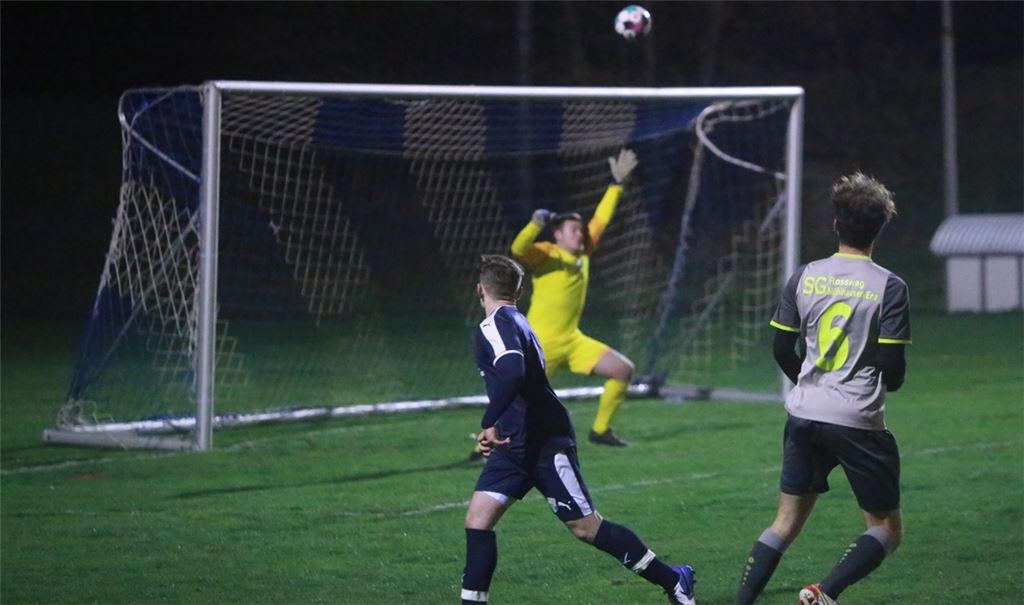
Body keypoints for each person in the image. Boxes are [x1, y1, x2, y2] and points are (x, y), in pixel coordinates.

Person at [460, 254, 695, 605]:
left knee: (586, 527)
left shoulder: (495, 326)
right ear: (520, 291)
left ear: (479, 289)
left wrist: (488, 422)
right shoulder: (518, 321)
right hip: (514, 443)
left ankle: (673, 579)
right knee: (478, 520)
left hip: (543, 443)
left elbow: (512, 371)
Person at [734, 173, 911, 605]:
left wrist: (812, 382)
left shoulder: (805, 276)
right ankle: (824, 593)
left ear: (836, 226)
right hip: (856, 420)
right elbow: (893, 368)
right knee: (885, 528)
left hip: (805, 413)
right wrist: (875, 383)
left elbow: (781, 348)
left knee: (785, 522)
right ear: (879, 229)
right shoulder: (889, 286)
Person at [514, 148, 640, 449]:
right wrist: (534, 223)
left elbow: (600, 219)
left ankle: (600, 430)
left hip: (573, 341)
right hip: (541, 344)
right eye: (573, 230)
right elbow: (518, 250)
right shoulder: (546, 254)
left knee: (623, 369)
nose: (580, 234)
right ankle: (483, 448)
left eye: (580, 230)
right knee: (518, 400)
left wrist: (616, 184)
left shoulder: (583, 252)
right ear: (557, 235)